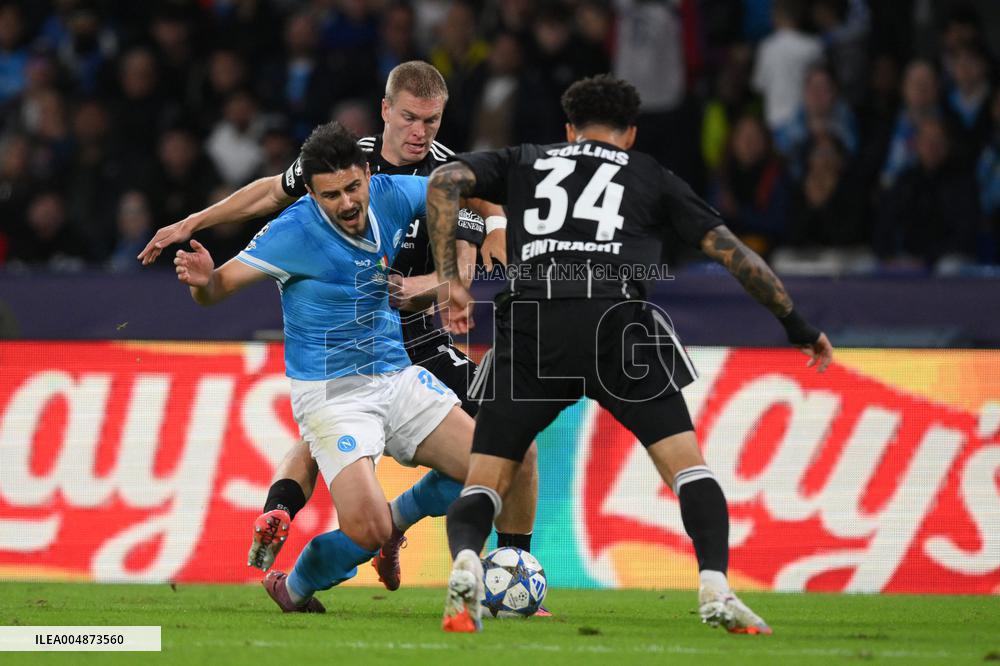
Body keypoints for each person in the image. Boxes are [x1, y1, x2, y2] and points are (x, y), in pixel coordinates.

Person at [426, 75, 833, 633]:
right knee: (688, 470)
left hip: (533, 324)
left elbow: (446, 179)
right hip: (618, 326)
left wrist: (451, 279)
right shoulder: (649, 174)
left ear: (569, 130)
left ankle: (469, 561)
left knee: (485, 481)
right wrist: (797, 324)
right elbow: (733, 253)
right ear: (631, 134)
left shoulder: (526, 159)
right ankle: (714, 584)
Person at [138, 61, 539, 595]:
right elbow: (243, 238)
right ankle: (304, 544)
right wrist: (197, 241)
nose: (420, 133)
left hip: (407, 353)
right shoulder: (306, 207)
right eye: (410, 119)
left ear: (369, 178)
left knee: (506, 457)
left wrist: (491, 226)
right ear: (385, 112)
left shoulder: (405, 184)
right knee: (337, 475)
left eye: (432, 121)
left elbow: (475, 195)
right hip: (334, 382)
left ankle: (502, 570)